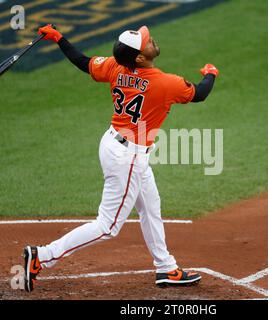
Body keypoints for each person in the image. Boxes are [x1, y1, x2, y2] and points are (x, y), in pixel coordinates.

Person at [22, 24, 219, 292]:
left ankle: (166, 268)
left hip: (115, 144)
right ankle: (43, 256)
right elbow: (201, 93)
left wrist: (59, 38)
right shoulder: (165, 83)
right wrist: (211, 73)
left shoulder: (116, 67)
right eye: (147, 42)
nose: (152, 41)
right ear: (139, 57)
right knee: (107, 226)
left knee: (150, 208)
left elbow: (83, 62)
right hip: (128, 158)